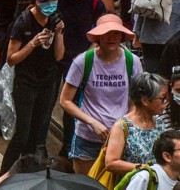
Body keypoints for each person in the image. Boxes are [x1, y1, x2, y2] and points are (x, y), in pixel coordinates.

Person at [1, 0, 65, 173]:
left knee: (36, 135)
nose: (51, 3)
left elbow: (58, 56)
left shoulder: (55, 19)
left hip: (47, 82)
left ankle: (25, 176)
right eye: (45, 0)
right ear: (35, 0)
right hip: (26, 84)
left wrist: (59, 33)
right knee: (21, 134)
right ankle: (4, 177)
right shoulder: (24, 22)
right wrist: (32, 44)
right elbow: (11, 59)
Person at [59, 13, 139, 174]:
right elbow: (65, 100)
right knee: (85, 185)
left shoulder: (133, 61)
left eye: (116, 33)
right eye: (106, 33)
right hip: (87, 139)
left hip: (121, 139)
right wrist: (92, 122)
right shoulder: (83, 61)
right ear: (98, 36)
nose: (111, 37)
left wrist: (125, 125)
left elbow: (137, 100)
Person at [102, 73, 168, 178]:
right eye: (162, 98)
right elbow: (111, 163)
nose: (165, 102)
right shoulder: (122, 126)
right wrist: (146, 169)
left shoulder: (159, 122)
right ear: (145, 101)